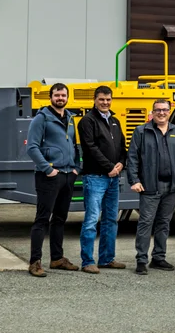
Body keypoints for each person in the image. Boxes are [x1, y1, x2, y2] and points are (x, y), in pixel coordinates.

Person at [126, 98, 175, 275]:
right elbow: (132, 158)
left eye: (165, 110)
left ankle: (159, 258)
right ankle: (141, 260)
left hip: (171, 187)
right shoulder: (141, 131)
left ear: (170, 111)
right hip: (149, 186)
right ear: (152, 112)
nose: (161, 113)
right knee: (146, 223)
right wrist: (135, 180)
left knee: (164, 223)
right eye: (158, 110)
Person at [25, 82, 81, 277]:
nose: (60, 98)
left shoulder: (71, 118)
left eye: (63, 95)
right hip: (49, 176)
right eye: (57, 95)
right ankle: (35, 262)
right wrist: (48, 169)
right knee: (42, 219)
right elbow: (32, 147)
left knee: (60, 219)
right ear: (51, 97)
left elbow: (75, 146)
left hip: (67, 175)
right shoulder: (41, 118)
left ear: (67, 97)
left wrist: (76, 168)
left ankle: (57, 258)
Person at [77, 85, 126, 274]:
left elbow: (122, 146)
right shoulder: (87, 121)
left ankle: (106, 258)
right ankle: (87, 261)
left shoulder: (115, 121)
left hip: (113, 179)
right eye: (101, 99)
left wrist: (121, 163)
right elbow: (90, 147)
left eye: (108, 99)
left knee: (110, 220)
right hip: (95, 177)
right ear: (95, 100)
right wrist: (109, 167)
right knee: (91, 220)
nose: (105, 102)